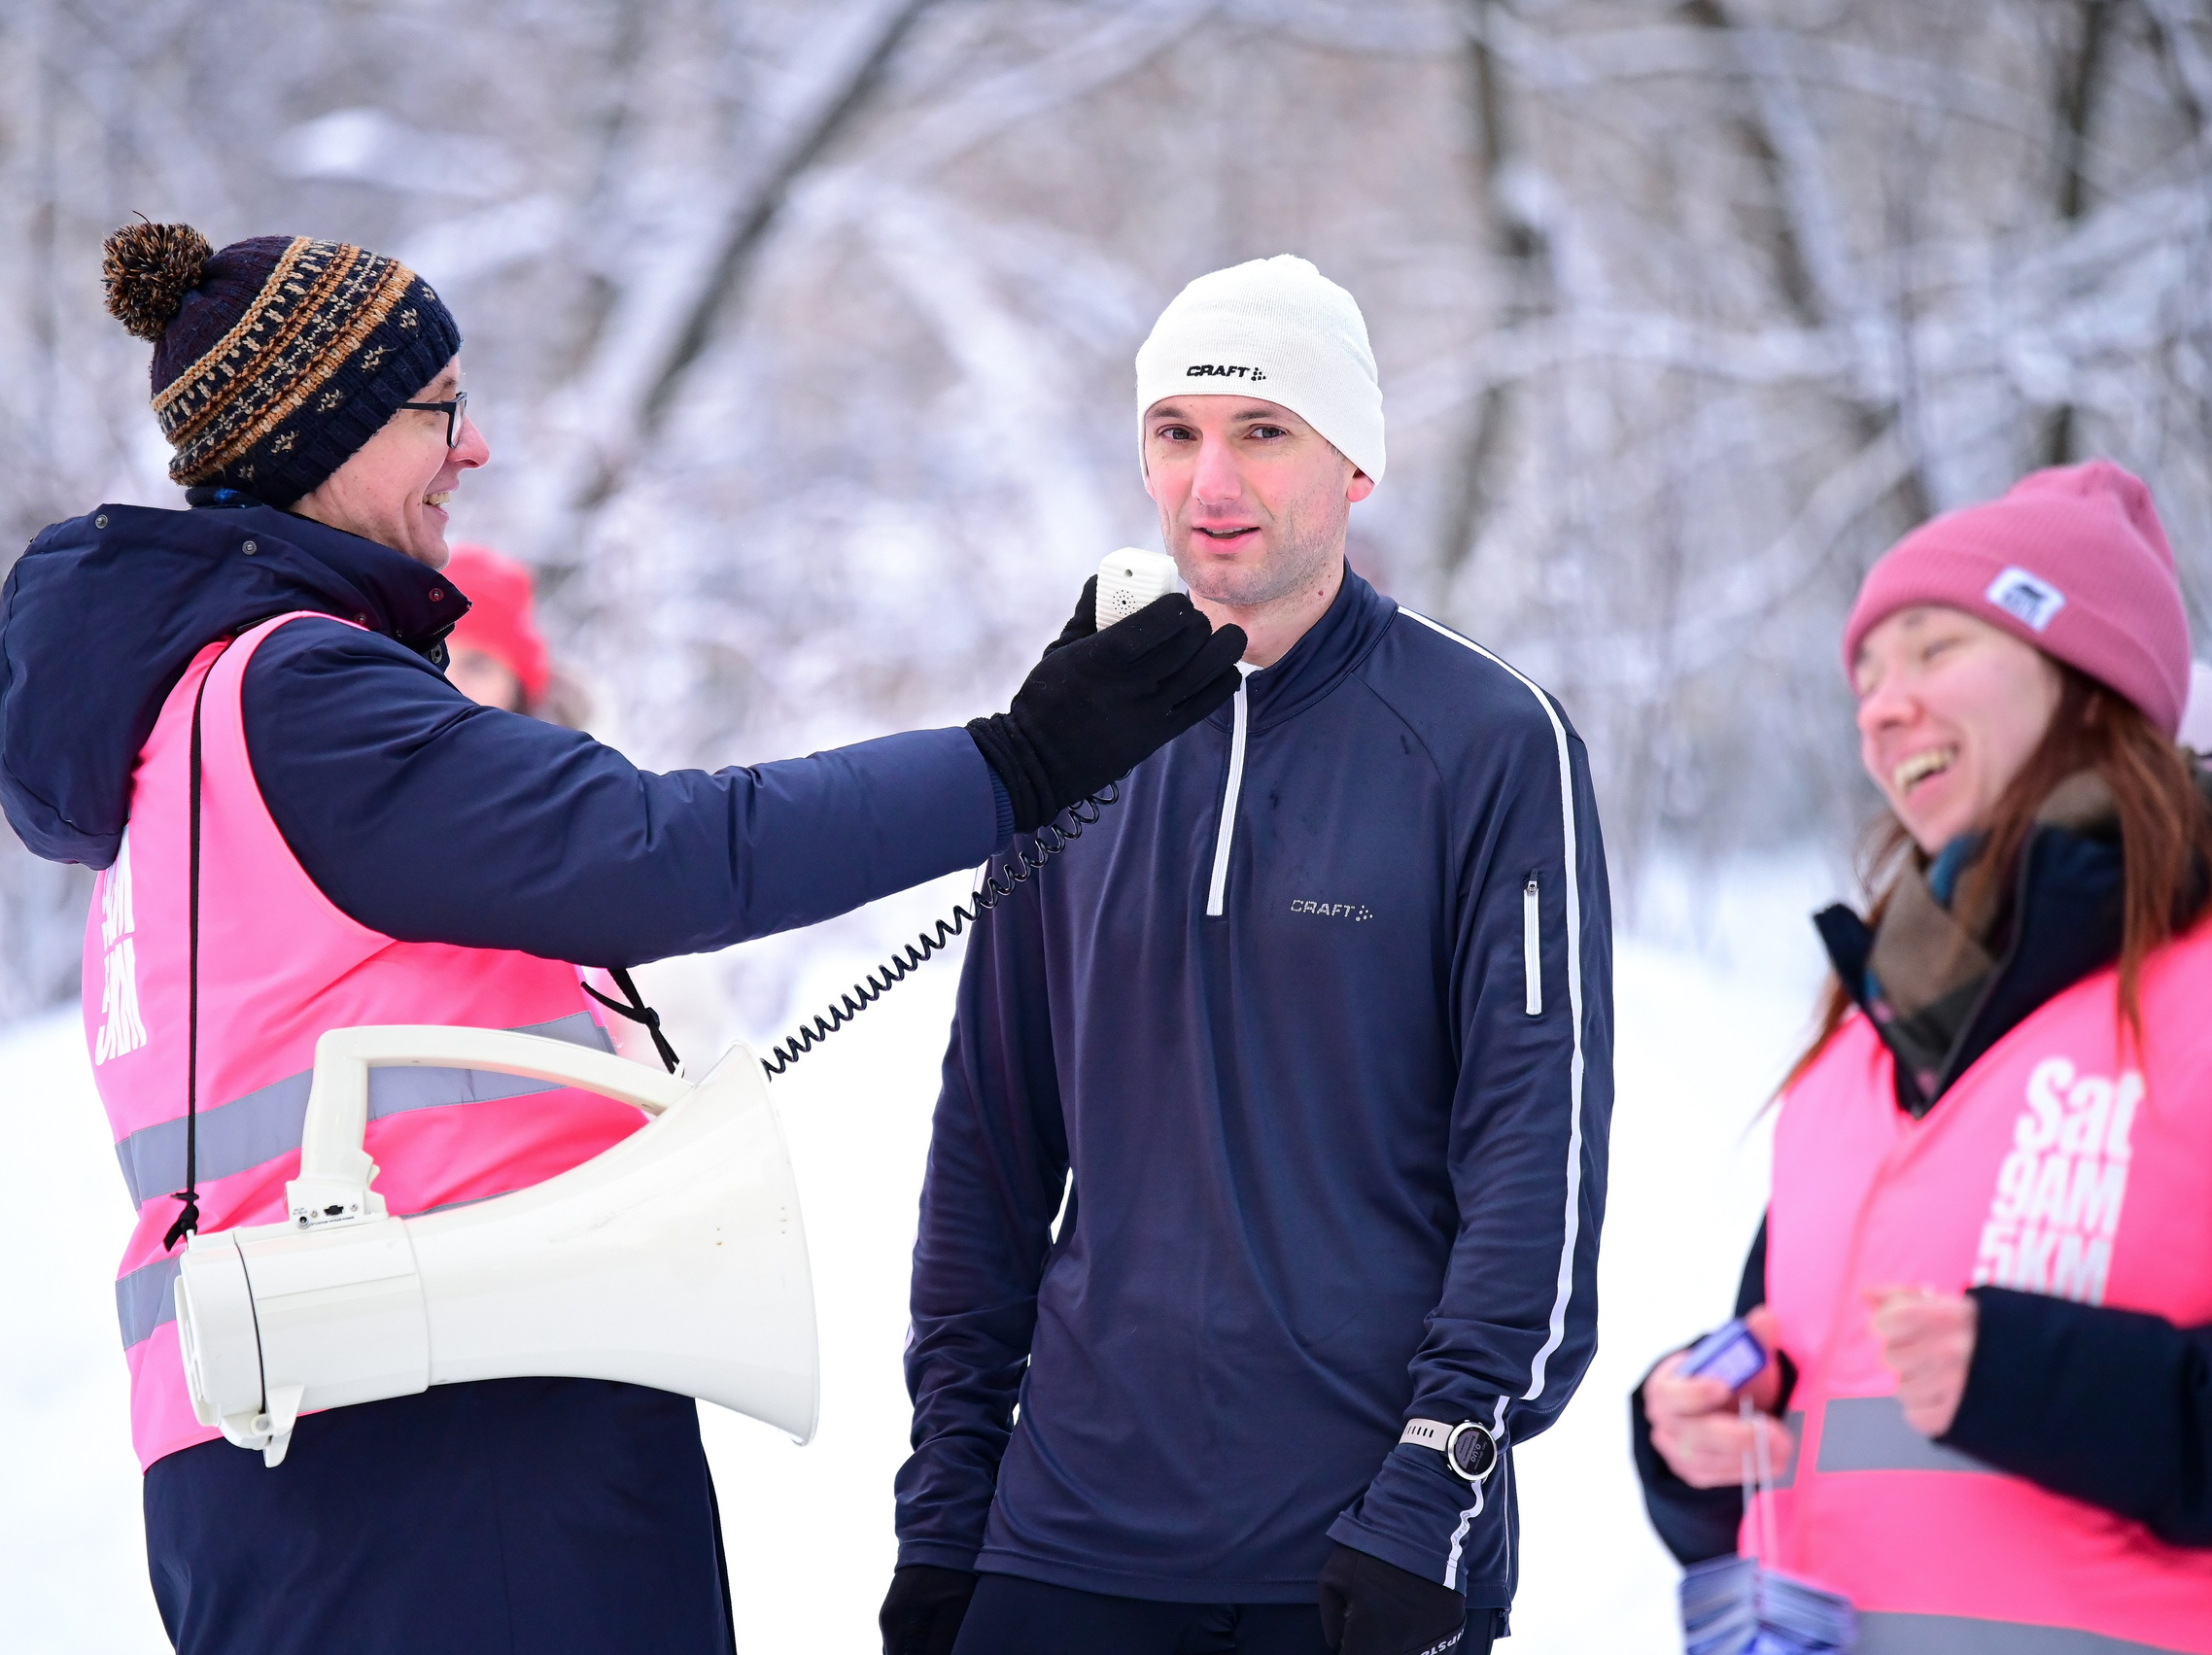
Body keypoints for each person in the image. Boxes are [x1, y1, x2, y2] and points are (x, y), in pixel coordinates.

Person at [0, 222, 1246, 1655]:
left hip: (303, 1433)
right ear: (321, 431)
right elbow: (668, 851)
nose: (475, 449)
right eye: (439, 408)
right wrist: (1024, 758)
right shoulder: (301, 698)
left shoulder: (174, 750)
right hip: (448, 1427)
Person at [879, 256, 1615, 1655]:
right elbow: (989, 1148)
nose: (1212, 481)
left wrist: (1434, 1482)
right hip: (1063, 1538)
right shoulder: (1071, 738)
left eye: (1262, 432)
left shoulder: (1489, 740)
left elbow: (1538, 1160)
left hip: (1356, 1554)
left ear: (1355, 467)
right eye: (1177, 433)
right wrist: (945, 1503)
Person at [1634, 461, 2212, 1649]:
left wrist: (2045, 1382)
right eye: (1865, 675)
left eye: (1934, 649)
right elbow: (1801, 1388)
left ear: (2086, 677)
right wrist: (1695, 1441)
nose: (1881, 705)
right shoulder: (1860, 1040)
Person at [439, 542, 597, 728]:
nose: (448, 684)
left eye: (475, 666)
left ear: (517, 688)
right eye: (428, 661)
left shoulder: (566, 754)